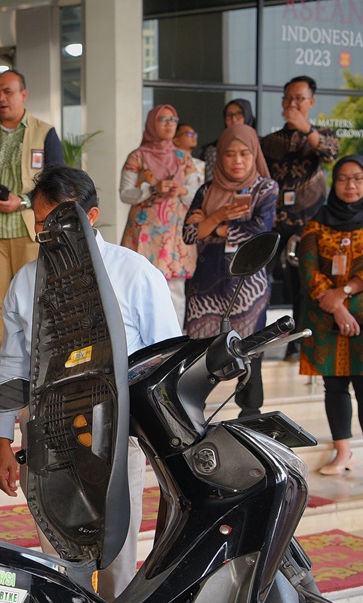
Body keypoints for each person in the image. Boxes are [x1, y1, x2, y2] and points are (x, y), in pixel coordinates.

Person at [0, 166, 180, 600]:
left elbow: (164, 359)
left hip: (115, 437)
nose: (46, 230)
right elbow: (13, 365)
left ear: (91, 216)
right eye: (39, 222)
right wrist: (3, 440)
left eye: (58, 219)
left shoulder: (135, 273)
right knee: (58, 552)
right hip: (47, 437)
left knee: (115, 555)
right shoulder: (26, 282)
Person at [298, 155, 363, 485]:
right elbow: (307, 267)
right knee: (334, 383)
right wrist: (336, 304)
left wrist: (344, 291)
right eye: (343, 178)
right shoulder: (317, 221)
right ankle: (343, 452)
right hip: (327, 314)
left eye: (357, 178)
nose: (350, 185)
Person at [0, 70, 65, 379]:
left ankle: (39, 354)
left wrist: (21, 201)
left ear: (24, 94)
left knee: (36, 293)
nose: (1, 98)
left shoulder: (44, 132)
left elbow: (57, 180)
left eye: (7, 92)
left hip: (28, 228)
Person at [183, 124, 279, 417]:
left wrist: (210, 225)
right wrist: (222, 215)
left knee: (251, 351)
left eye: (244, 153)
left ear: (255, 155)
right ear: (220, 157)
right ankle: (191, 409)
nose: (237, 160)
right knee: (201, 351)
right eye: (230, 154)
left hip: (247, 284)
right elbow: (188, 234)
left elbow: (258, 231)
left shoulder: (266, 188)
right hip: (207, 282)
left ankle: (250, 414)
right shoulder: (206, 189)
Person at [260, 76, 339, 361]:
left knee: (304, 287)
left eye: (299, 99)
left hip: (307, 226)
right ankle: (253, 345)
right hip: (272, 224)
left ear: (311, 102)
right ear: (282, 102)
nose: (292, 104)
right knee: (259, 283)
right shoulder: (269, 143)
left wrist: (306, 128)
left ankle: (299, 346)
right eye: (288, 98)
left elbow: (330, 153)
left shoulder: (323, 135)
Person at [119, 104, 200, 325]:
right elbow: (125, 194)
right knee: (139, 284)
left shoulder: (183, 158)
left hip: (174, 232)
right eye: (163, 119)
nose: (169, 124)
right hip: (145, 232)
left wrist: (181, 190)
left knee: (175, 288)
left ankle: (173, 344)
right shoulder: (138, 156)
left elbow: (196, 194)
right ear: (152, 123)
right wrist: (153, 189)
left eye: (173, 120)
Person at [200, 98, 256, 168]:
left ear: (247, 116)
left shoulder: (260, 145)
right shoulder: (215, 148)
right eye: (229, 115)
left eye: (239, 114)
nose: (233, 119)